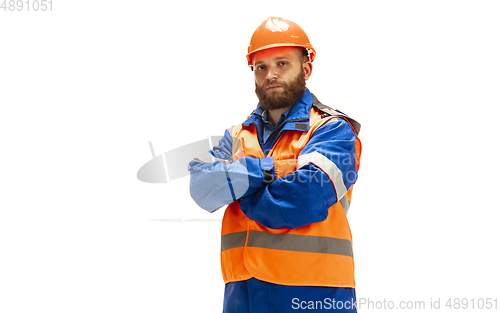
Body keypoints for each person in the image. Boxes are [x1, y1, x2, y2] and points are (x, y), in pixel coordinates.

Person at [188, 17, 362, 313]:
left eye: (282, 63)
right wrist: (268, 170)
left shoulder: (332, 130)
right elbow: (202, 188)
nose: (271, 74)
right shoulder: (236, 134)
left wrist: (238, 185)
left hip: (313, 292)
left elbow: (300, 201)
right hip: (242, 291)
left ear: (306, 68)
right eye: (262, 67)